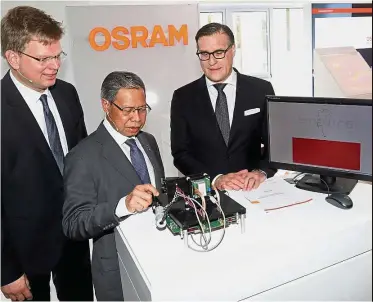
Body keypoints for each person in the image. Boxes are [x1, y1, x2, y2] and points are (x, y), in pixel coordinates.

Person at [1, 6, 93, 301]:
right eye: (43, 58)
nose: (54, 65)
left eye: (57, 56)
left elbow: (82, 158)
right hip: (24, 251)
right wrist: (6, 270)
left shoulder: (67, 94)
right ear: (13, 58)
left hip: (75, 238)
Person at [62, 71, 165, 301]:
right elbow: (73, 223)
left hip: (160, 264)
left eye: (141, 109)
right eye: (127, 110)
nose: (137, 118)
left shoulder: (148, 141)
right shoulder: (82, 157)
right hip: (118, 275)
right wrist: (122, 206)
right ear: (106, 105)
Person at [170, 22, 277, 191]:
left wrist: (261, 172)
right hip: (208, 195)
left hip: (254, 190)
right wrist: (216, 179)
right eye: (204, 54)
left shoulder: (261, 90)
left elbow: (274, 144)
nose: (211, 61)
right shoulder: (183, 97)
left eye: (219, 52)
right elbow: (181, 154)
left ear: (232, 50)